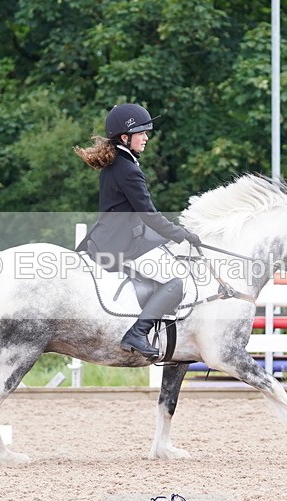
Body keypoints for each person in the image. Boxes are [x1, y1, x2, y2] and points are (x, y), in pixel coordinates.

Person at [75, 103, 201, 360]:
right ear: (125, 137)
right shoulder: (128, 169)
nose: (146, 138)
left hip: (111, 236)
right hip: (120, 244)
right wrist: (182, 235)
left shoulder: (118, 162)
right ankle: (137, 333)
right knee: (177, 282)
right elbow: (149, 215)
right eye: (141, 133)